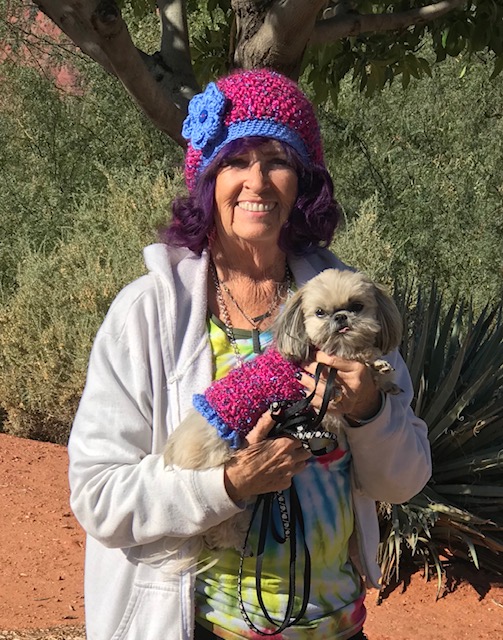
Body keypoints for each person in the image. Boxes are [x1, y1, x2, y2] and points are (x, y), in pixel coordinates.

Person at [68, 68, 431, 640]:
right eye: (235, 161)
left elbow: (404, 481)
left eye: (277, 161)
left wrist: (369, 416)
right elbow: (98, 496)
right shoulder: (146, 315)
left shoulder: (346, 303)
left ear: (302, 182)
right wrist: (227, 485)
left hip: (336, 629)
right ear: (208, 178)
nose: (256, 182)